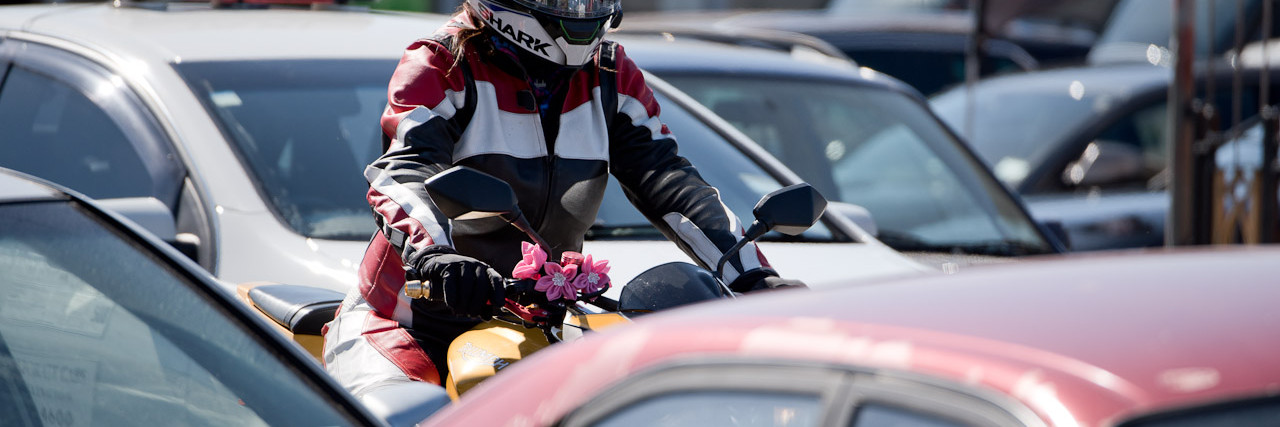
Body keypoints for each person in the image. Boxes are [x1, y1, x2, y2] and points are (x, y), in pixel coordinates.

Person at [322, 0, 804, 397]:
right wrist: (437, 256)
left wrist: (755, 278)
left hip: (544, 317)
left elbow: (668, 179)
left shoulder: (611, 74)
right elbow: (403, 170)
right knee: (406, 414)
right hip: (409, 317)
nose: (580, 8)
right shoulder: (441, 61)